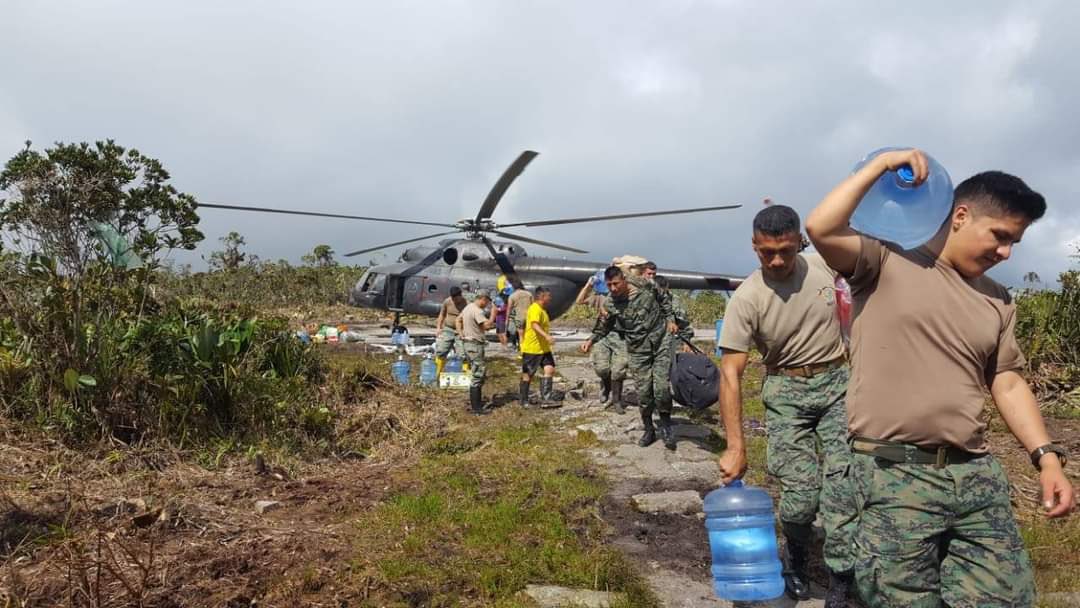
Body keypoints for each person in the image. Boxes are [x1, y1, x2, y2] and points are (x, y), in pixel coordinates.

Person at [805, 148, 1074, 606]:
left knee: (1008, 598)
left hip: (975, 474)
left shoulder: (998, 300)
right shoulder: (884, 263)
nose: (1005, 253)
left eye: (1015, 243)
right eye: (1000, 236)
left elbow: (1006, 380)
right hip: (894, 475)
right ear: (961, 216)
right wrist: (879, 166)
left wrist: (1046, 458)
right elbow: (821, 228)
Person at [716, 204, 856, 605]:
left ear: (800, 242)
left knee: (843, 490)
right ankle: (795, 556)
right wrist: (735, 445)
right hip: (786, 394)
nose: (777, 260)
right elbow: (730, 374)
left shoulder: (825, 268)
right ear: (754, 247)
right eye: (766, 252)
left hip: (837, 387)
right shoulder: (747, 299)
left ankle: (841, 582)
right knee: (800, 498)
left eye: (786, 250)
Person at [582, 264, 680, 450]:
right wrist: (591, 340)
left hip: (660, 342)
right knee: (644, 393)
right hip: (637, 349)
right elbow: (604, 326)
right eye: (609, 285)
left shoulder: (645, 285)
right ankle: (649, 429)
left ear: (624, 280)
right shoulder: (610, 303)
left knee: (661, 388)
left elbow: (664, 298)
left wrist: (670, 319)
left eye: (616, 284)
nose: (613, 288)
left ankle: (666, 426)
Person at [576, 276, 628, 413]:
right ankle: (606, 386)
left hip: (622, 336)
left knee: (618, 370)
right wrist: (588, 284)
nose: (612, 288)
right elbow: (580, 301)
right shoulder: (600, 296)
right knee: (602, 368)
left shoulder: (628, 296)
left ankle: (616, 400)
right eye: (609, 284)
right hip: (603, 334)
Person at [456, 288, 497, 415]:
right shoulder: (477, 311)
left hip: (468, 343)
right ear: (483, 299)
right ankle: (476, 407)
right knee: (478, 374)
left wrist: (461, 334)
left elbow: (458, 320)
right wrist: (493, 315)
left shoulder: (468, 308)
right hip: (475, 344)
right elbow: (486, 326)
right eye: (487, 301)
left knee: (476, 372)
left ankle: (477, 404)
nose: (487, 304)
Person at [520, 286, 559, 406]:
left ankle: (546, 398)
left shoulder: (542, 310)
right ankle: (524, 399)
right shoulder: (535, 309)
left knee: (550, 369)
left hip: (544, 348)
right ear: (542, 296)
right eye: (549, 296)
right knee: (528, 374)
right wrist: (547, 336)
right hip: (533, 348)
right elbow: (534, 325)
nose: (550, 298)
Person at [434, 286, 467, 376]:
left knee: (463, 353)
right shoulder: (447, 301)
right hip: (448, 329)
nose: (454, 300)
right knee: (441, 350)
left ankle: (465, 374)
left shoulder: (466, 303)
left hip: (461, 330)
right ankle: (437, 373)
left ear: (460, 296)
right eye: (453, 298)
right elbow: (442, 314)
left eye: (456, 298)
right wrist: (438, 328)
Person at [506, 277, 532, 353]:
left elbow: (509, 308)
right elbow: (533, 305)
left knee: (521, 335)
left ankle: (523, 351)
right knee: (528, 334)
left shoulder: (512, 296)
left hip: (519, 318)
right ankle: (529, 349)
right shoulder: (529, 294)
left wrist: (507, 320)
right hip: (529, 317)